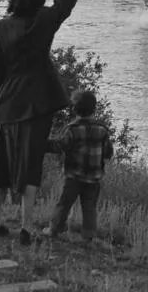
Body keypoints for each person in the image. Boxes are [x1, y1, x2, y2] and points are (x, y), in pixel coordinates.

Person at [0, 0, 85, 246]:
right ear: (38, 1)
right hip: (38, 104)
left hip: (8, 104)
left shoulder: (0, 28)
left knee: (3, 163)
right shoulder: (44, 21)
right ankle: (27, 227)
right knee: (30, 166)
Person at [44, 89, 113, 242]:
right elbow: (108, 152)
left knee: (64, 203)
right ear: (94, 108)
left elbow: (60, 146)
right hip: (94, 178)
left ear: (74, 109)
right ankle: (88, 236)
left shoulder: (72, 130)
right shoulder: (102, 130)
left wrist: (42, 143)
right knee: (89, 207)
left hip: (73, 176)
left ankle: (54, 229)